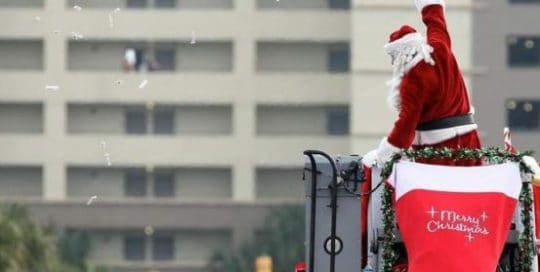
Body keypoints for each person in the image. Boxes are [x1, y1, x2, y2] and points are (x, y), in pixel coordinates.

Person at [363, 0, 481, 168]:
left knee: (440, 193)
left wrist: (386, 154)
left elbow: (406, 124)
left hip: (438, 151)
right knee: (472, 191)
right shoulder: (440, 47)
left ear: (401, 53)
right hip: (470, 140)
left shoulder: (413, 79)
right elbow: (435, 18)